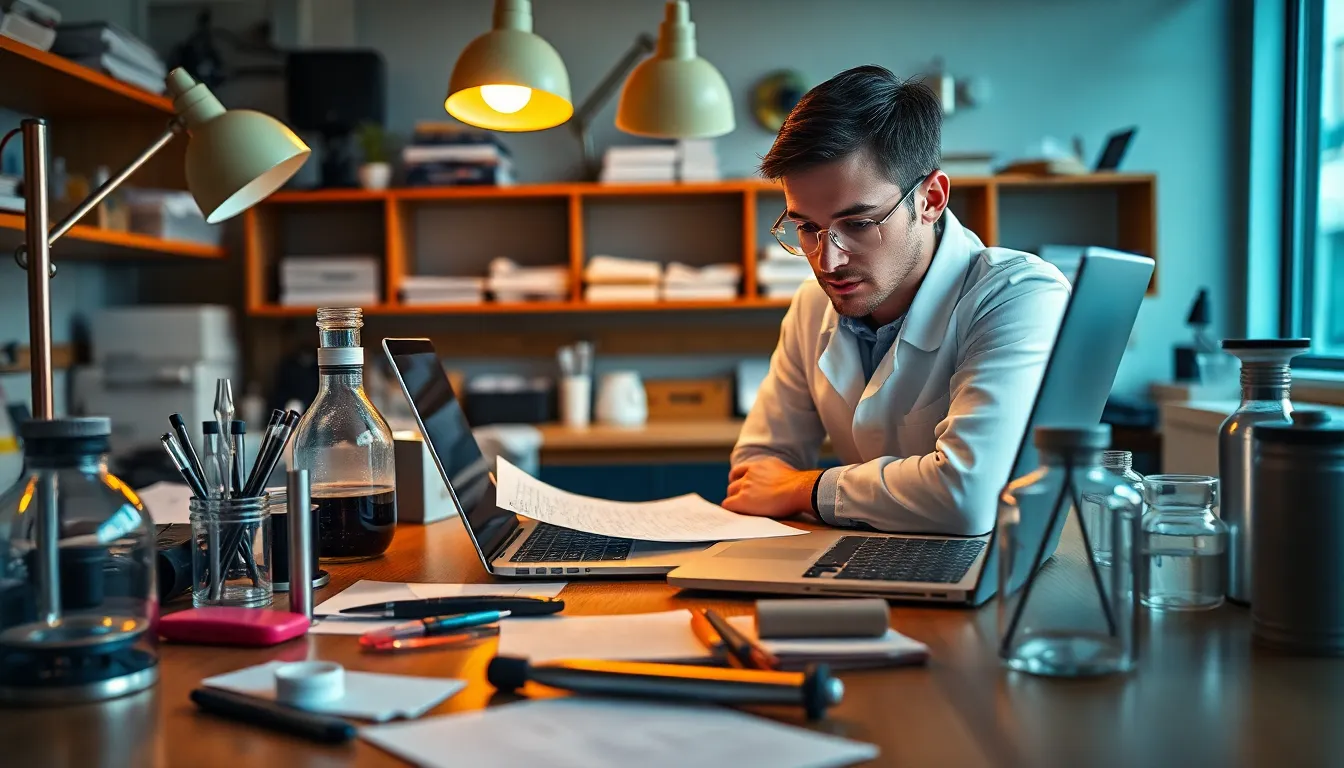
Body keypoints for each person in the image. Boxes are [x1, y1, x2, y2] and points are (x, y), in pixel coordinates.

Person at [723, 65, 1070, 535]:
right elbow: (755, 472)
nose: (827, 261)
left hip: (995, 582)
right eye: (806, 227)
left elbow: (966, 496)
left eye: (860, 224)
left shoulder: (1018, 294)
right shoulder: (811, 306)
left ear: (930, 198)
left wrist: (801, 489)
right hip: (866, 564)